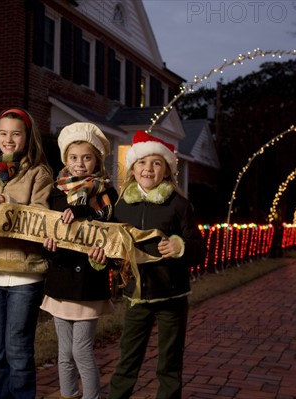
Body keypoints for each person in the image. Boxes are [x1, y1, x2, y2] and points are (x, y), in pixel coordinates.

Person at [107, 130, 207, 399]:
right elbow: (112, 250)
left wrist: (180, 246)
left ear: (167, 170)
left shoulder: (180, 206)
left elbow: (199, 249)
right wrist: (102, 259)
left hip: (172, 296)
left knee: (170, 364)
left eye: (156, 163)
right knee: (128, 360)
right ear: (133, 168)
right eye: (142, 162)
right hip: (135, 296)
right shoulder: (120, 206)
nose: (148, 168)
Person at [0, 108, 53, 399]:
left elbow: (42, 215)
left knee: (17, 348)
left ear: (27, 137)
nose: (8, 139)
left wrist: (8, 201)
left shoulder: (38, 174)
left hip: (24, 274)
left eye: (16, 134)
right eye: (3, 133)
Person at [40, 122, 118, 399]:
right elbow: (49, 232)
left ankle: (92, 396)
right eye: (74, 158)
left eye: (87, 157)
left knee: (81, 349)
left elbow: (113, 235)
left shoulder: (107, 195)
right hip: (61, 281)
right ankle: (68, 393)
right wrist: (48, 246)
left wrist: (104, 256)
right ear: (65, 159)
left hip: (88, 283)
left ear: (97, 159)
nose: (80, 164)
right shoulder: (55, 193)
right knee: (64, 352)